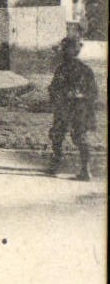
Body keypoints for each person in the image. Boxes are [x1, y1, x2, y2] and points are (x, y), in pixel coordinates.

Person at [46, 35, 96, 180]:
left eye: (66, 49)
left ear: (73, 51)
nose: (63, 52)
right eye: (64, 49)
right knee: (58, 135)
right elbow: (53, 88)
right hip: (66, 108)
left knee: (78, 136)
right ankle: (56, 164)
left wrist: (78, 96)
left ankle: (85, 170)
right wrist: (56, 96)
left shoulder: (83, 70)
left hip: (77, 109)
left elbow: (93, 93)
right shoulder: (62, 69)